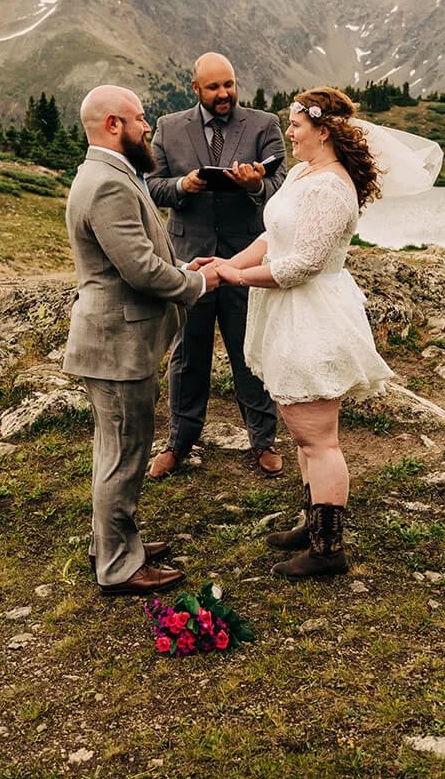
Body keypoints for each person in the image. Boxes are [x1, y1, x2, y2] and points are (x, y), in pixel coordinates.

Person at [194, 86, 394, 579]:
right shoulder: (304, 173)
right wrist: (226, 263)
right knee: (302, 432)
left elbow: (302, 263)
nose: (288, 133)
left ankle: (329, 549)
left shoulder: (331, 188)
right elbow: (272, 237)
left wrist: (235, 279)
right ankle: (313, 521)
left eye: (296, 125)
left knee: (317, 439)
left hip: (313, 315)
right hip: (289, 313)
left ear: (323, 131)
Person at [62, 85, 217, 596]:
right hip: (117, 346)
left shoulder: (106, 174)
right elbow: (139, 271)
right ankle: (119, 567)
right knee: (125, 454)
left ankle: (110, 542)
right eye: (140, 118)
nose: (148, 127)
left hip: (116, 343)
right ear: (113, 124)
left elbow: (141, 255)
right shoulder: (107, 183)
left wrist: (179, 266)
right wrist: (196, 283)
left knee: (116, 450)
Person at [144, 52, 288, 479]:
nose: (224, 94)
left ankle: (263, 440)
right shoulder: (169, 128)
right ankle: (179, 442)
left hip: (246, 258)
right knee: (188, 354)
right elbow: (151, 185)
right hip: (189, 260)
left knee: (250, 350)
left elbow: (282, 185)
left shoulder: (265, 125)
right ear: (196, 89)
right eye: (214, 87)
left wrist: (256, 184)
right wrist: (183, 185)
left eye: (229, 85)